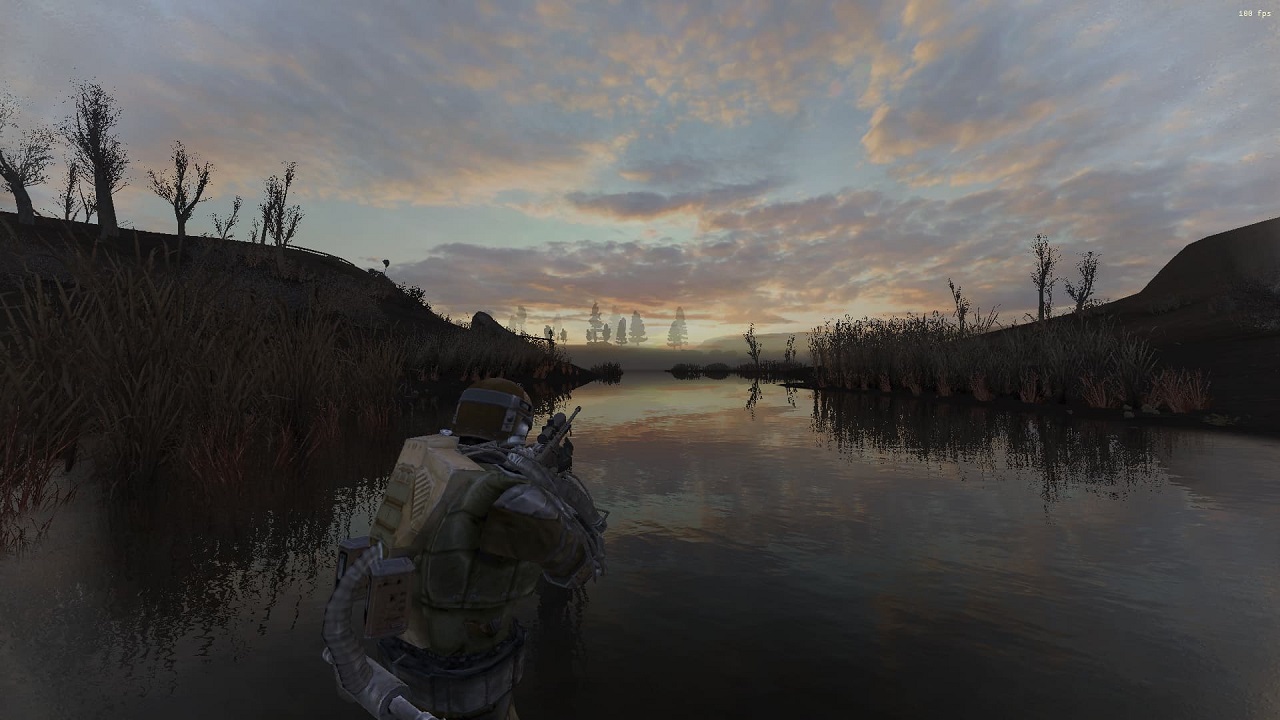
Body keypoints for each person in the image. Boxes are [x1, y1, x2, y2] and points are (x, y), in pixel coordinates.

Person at [366, 378, 605, 720]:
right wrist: (552, 481)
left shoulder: (427, 465)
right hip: (470, 684)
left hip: (399, 665)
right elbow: (580, 565)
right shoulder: (512, 497)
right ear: (517, 426)